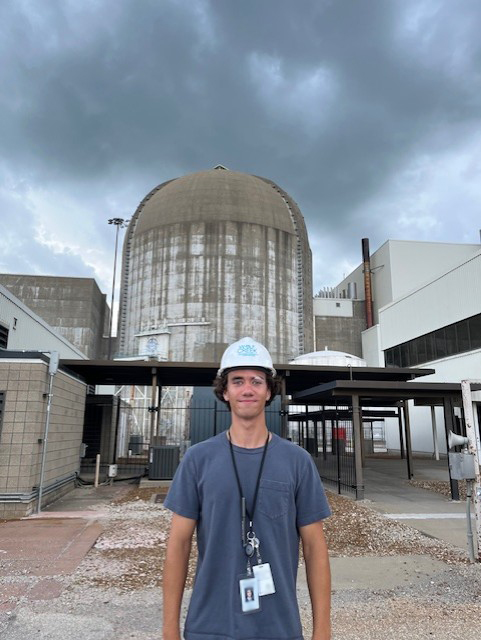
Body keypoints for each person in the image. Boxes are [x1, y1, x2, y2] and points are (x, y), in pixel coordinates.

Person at [163, 337, 331, 640]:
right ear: (224, 391)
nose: (247, 389)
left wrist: (323, 630)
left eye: (256, 381)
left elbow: (315, 548)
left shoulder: (297, 462)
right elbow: (178, 545)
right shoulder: (197, 459)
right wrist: (169, 630)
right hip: (208, 628)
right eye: (237, 381)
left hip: (279, 629)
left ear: (269, 391)